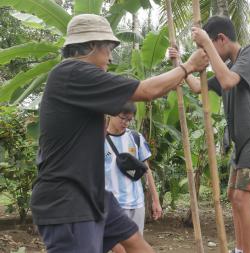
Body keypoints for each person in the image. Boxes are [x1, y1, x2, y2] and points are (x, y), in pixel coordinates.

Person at [30, 14, 208, 253]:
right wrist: (189, 66)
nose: (111, 57)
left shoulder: (80, 82)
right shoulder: (72, 72)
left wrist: (177, 69)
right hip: (68, 199)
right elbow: (146, 90)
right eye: (108, 49)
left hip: (93, 194)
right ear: (91, 45)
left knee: (138, 246)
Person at [170, 15, 250, 253]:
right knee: (233, 196)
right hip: (243, 143)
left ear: (221, 39)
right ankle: (240, 250)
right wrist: (181, 64)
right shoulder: (227, 68)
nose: (207, 55)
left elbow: (229, 82)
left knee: (242, 198)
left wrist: (205, 44)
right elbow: (199, 87)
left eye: (209, 47)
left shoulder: (249, 54)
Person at [105, 102, 162, 253]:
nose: (125, 123)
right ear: (110, 113)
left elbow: (146, 170)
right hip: (113, 206)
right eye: (123, 118)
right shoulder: (98, 141)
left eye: (129, 119)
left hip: (137, 204)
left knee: (136, 248)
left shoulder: (135, 138)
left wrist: (155, 200)